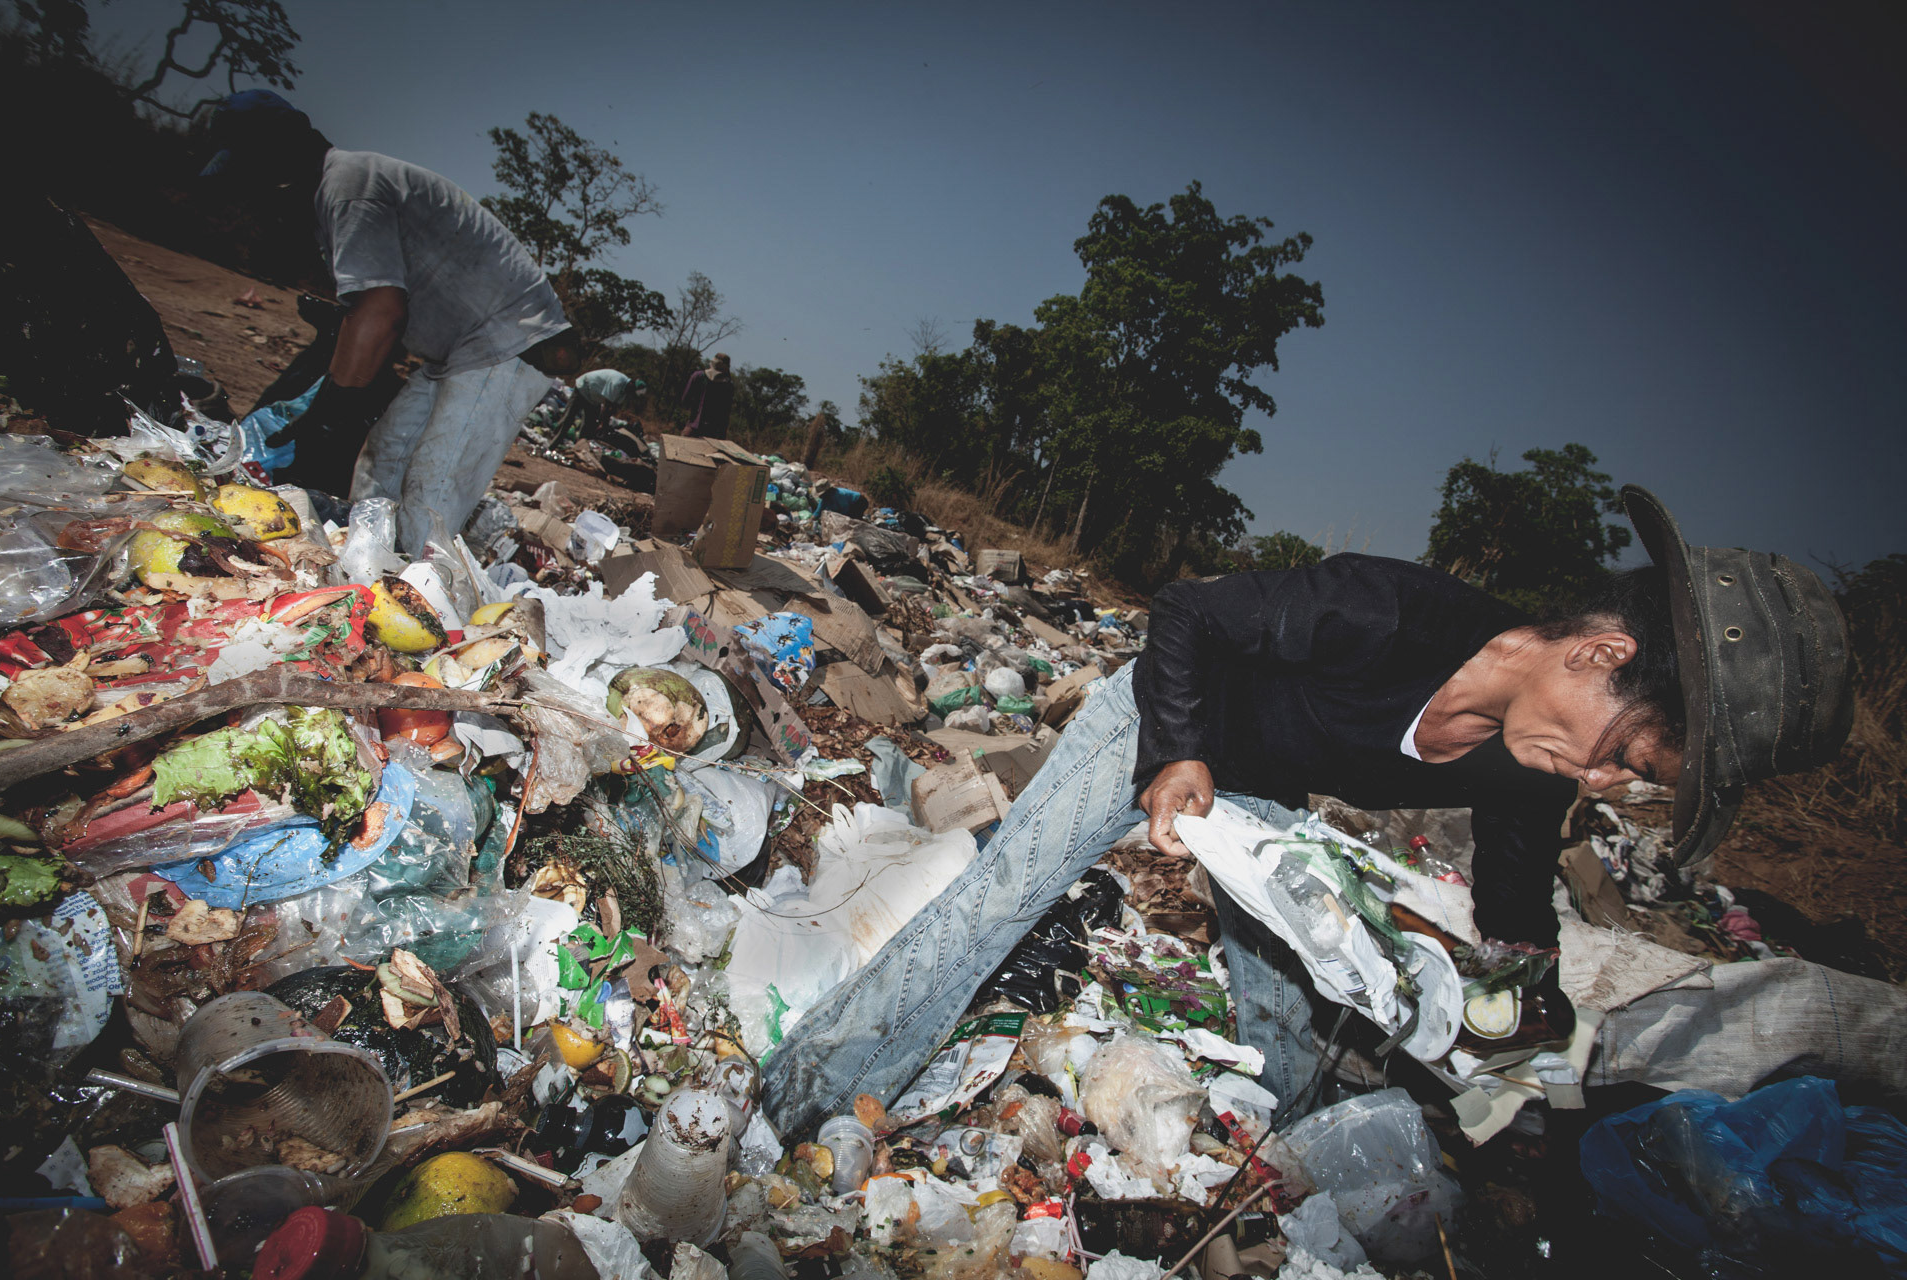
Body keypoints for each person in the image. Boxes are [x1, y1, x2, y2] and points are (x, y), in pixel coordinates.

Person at [760, 486, 1853, 1137]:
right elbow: (1187, 614)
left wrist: (1523, 1029)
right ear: (1600, 654)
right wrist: (1177, 751)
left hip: (1260, 786)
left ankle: (1289, 1167)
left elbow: (1518, 904)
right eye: (1628, 754)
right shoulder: (1390, 613)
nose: (1605, 783)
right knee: (999, 900)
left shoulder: (1529, 769)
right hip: (1164, 719)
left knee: (1284, 997)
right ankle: (800, 1098)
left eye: (1636, 786)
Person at [198, 90, 580, 553]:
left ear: (278, 152)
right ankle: (363, 561)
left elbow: (381, 312)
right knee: (384, 462)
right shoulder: (337, 190)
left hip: (508, 341)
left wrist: (329, 410)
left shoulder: (349, 189)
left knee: (433, 488)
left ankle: (420, 591)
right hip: (457, 353)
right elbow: (370, 313)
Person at [550, 369, 646, 448]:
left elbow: (613, 408)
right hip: (584, 388)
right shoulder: (617, 382)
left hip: (593, 398)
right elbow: (607, 406)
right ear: (632, 385)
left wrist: (603, 424)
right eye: (632, 393)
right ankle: (552, 443)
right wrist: (602, 423)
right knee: (569, 417)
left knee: (590, 425)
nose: (631, 395)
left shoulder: (625, 392)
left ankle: (579, 449)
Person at [678, 352, 735, 438]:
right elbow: (725, 416)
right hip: (714, 434)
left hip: (692, 428)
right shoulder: (728, 386)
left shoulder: (697, 376)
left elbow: (685, 402)